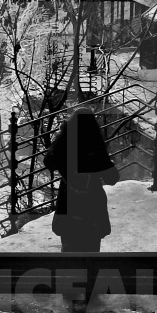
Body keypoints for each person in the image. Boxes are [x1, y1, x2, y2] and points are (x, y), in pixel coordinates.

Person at [43, 107, 119, 253]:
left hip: (69, 205)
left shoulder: (64, 146)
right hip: (91, 209)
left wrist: (60, 138)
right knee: (91, 251)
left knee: (68, 252)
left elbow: (48, 162)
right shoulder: (95, 148)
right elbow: (112, 178)